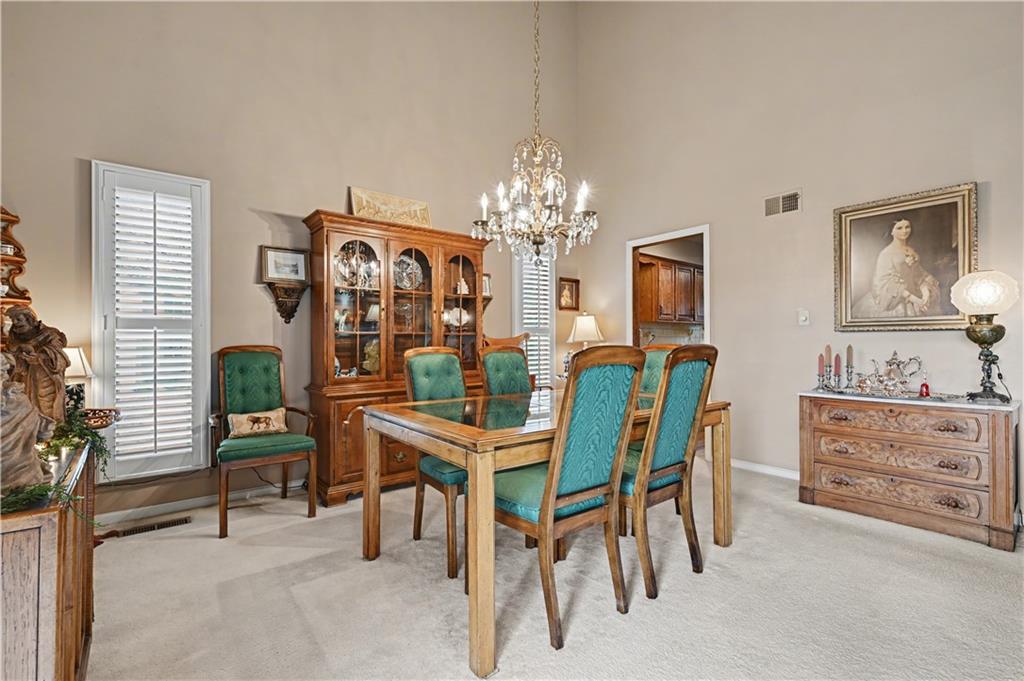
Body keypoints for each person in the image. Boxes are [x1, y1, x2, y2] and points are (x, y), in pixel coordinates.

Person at [852, 219, 939, 318]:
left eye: (907, 227)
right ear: (892, 231)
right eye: (899, 228)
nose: (904, 231)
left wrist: (925, 292)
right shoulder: (886, 254)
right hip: (896, 298)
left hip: (914, 292)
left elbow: (918, 274)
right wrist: (914, 299)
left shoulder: (911, 250)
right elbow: (885, 282)